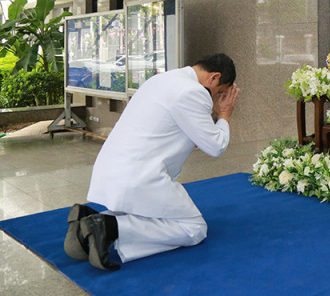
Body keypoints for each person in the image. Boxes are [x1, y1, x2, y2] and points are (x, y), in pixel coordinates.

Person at [64, 53, 240, 271]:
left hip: (112, 168)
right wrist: (224, 114)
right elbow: (215, 146)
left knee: (146, 215)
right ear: (214, 78)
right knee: (193, 228)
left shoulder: (161, 79)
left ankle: (89, 220)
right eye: (220, 92)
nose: (216, 98)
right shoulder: (194, 92)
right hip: (140, 175)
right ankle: (110, 227)